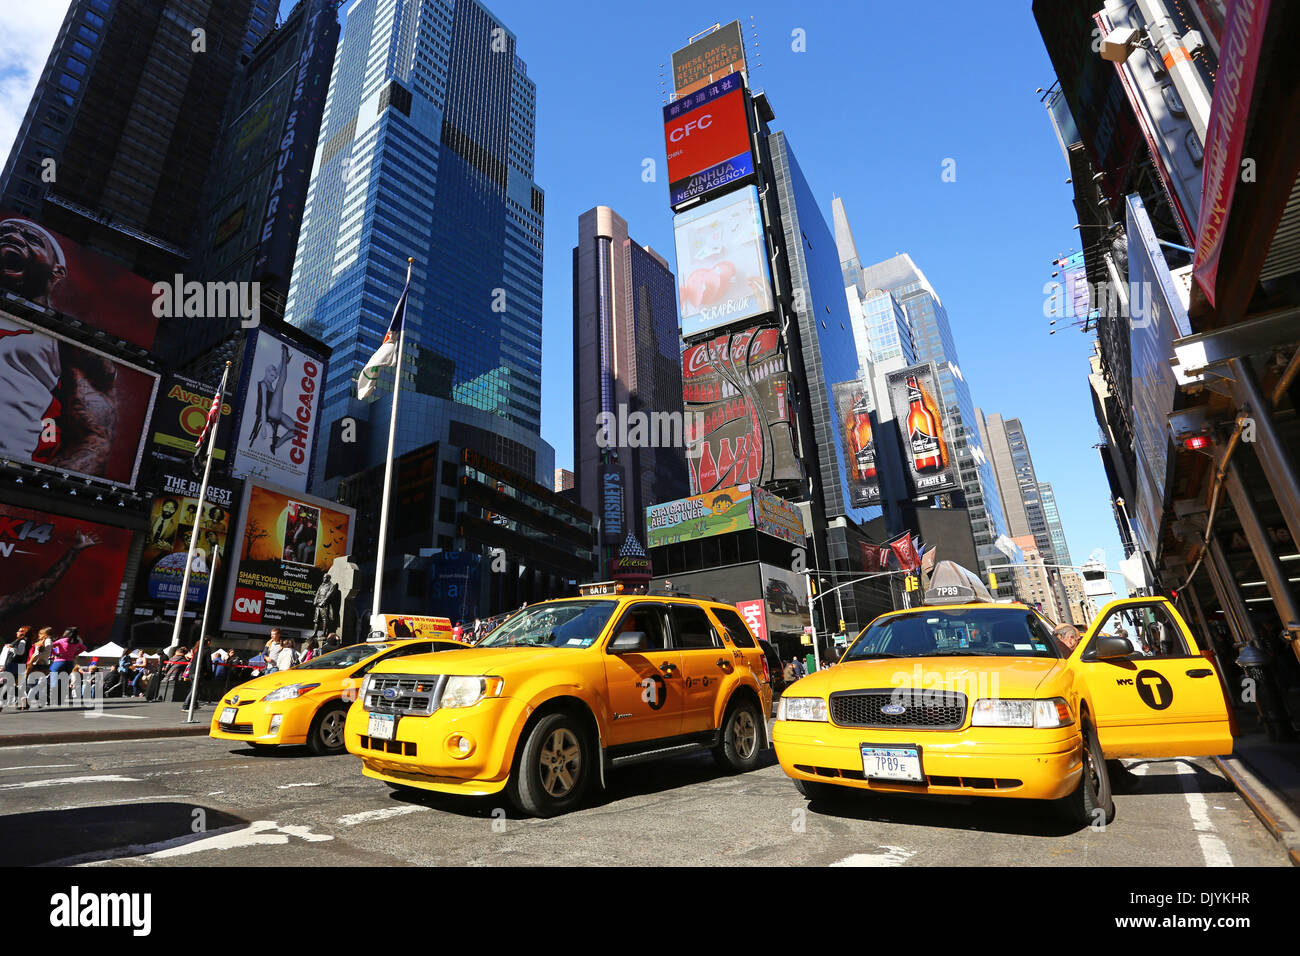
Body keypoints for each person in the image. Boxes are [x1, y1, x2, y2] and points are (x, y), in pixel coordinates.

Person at [0, 217, 121, 476]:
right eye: (6, 232)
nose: (13, 237)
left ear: (57, 271)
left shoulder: (69, 342)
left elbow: (95, 436)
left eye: (31, 240)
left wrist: (38, 486)